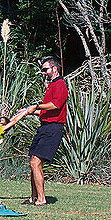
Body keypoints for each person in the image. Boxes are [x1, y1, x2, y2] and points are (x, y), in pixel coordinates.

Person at [24, 55, 68, 206]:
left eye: (45, 69)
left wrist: (36, 106)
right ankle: (33, 197)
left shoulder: (60, 84)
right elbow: (46, 110)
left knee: (35, 162)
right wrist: (28, 111)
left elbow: (55, 105)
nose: (43, 72)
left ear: (54, 69)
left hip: (53, 129)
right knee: (33, 162)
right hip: (44, 127)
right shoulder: (51, 85)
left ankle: (41, 199)